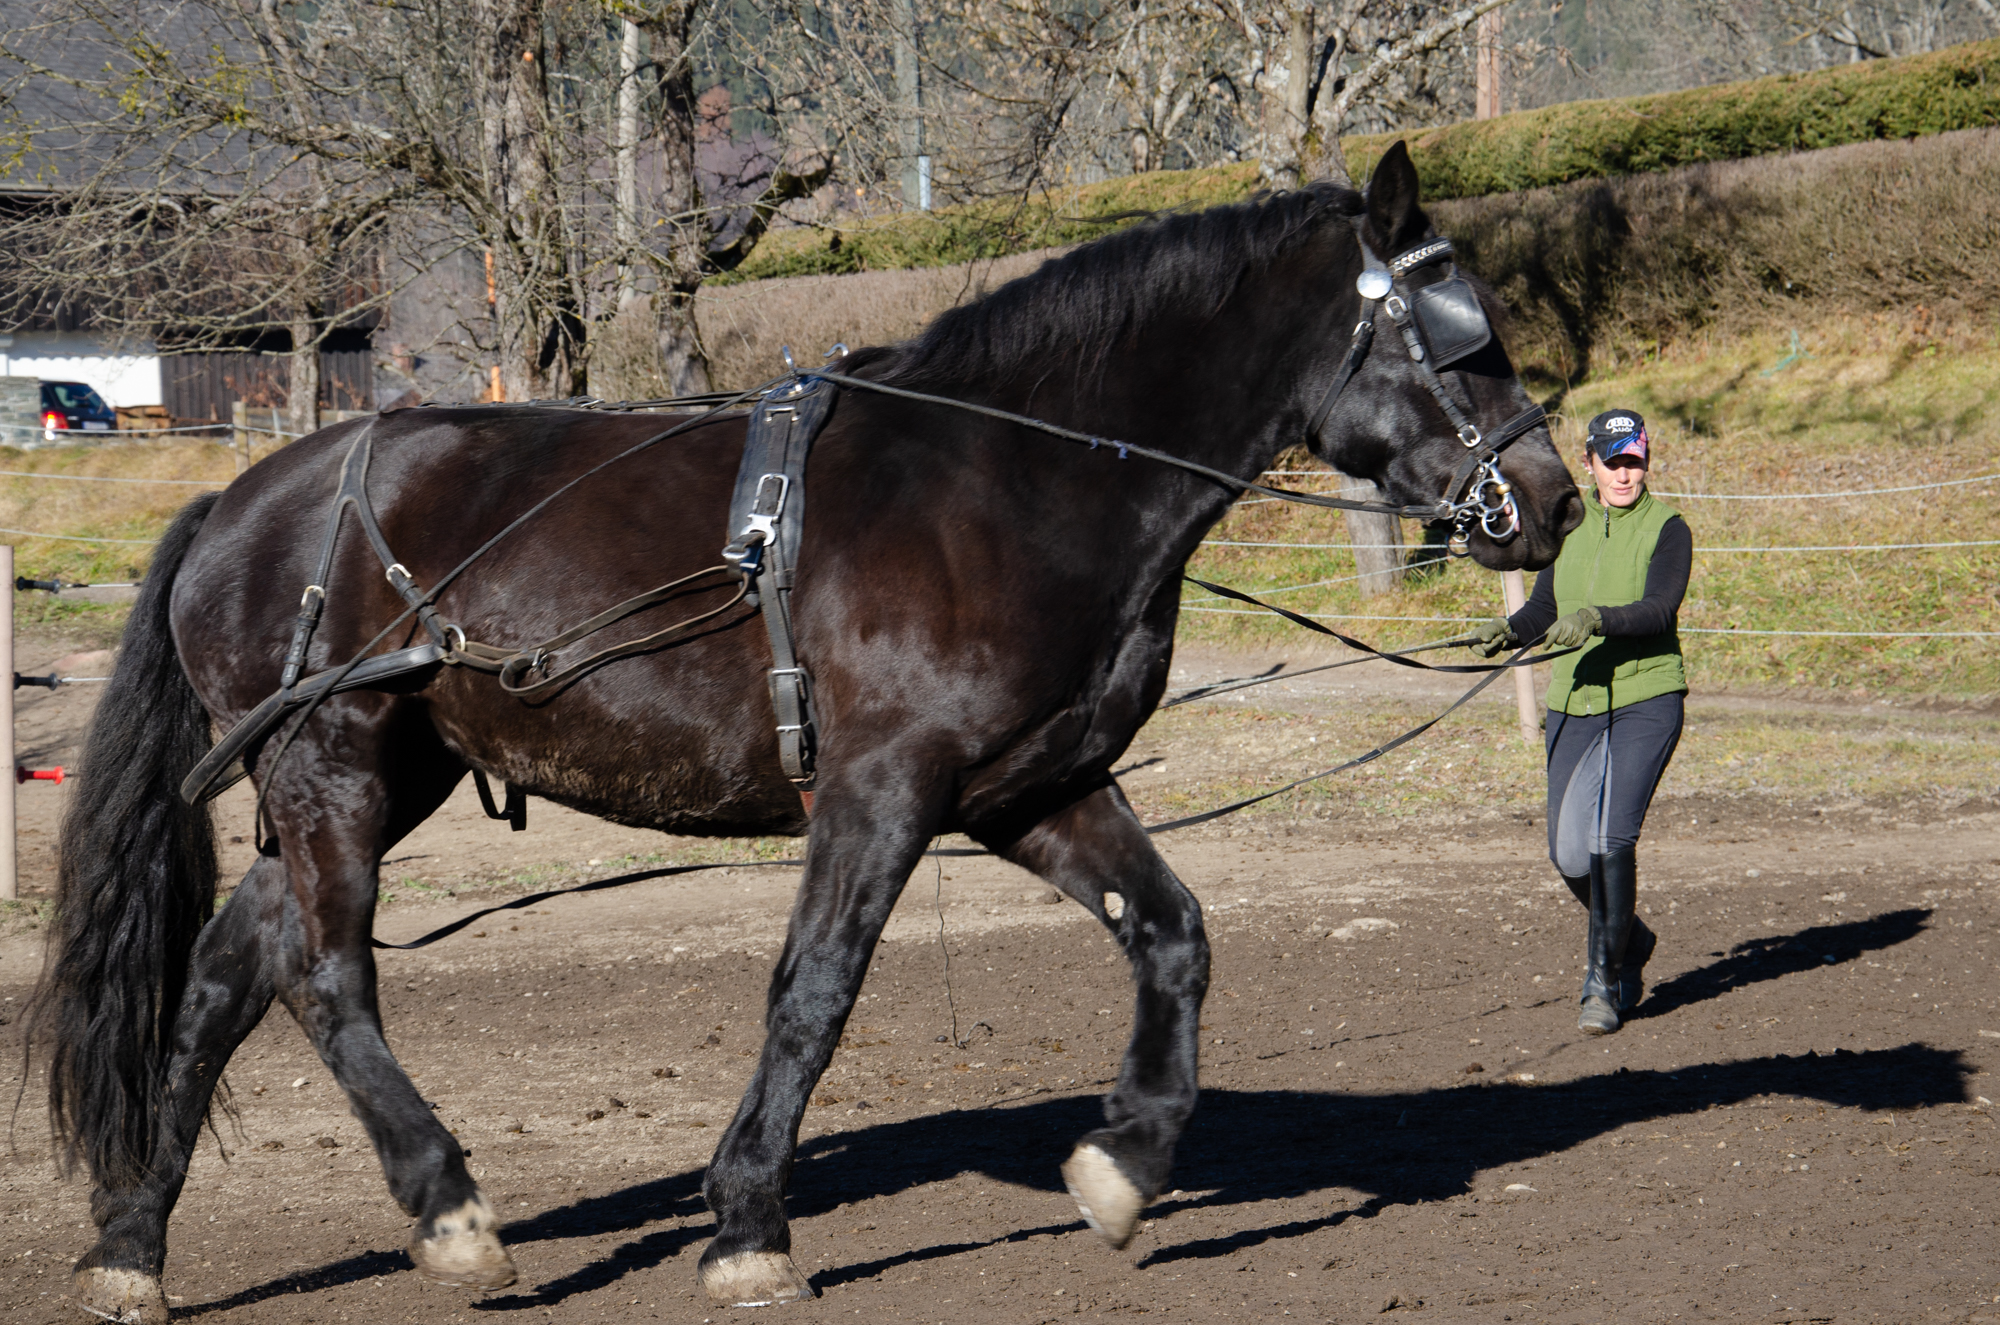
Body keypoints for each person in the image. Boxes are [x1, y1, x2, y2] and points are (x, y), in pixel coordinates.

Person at [1468, 409, 1691, 1036]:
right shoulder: (1568, 525)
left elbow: (1658, 608)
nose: (1624, 472)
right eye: (1612, 460)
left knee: (1609, 840)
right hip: (1576, 699)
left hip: (1646, 697)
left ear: (1646, 462)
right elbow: (1544, 608)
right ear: (1588, 462)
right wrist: (1506, 631)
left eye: (1634, 460)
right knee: (1567, 852)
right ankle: (1630, 936)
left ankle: (1605, 980)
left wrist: (1595, 619)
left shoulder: (1668, 529)